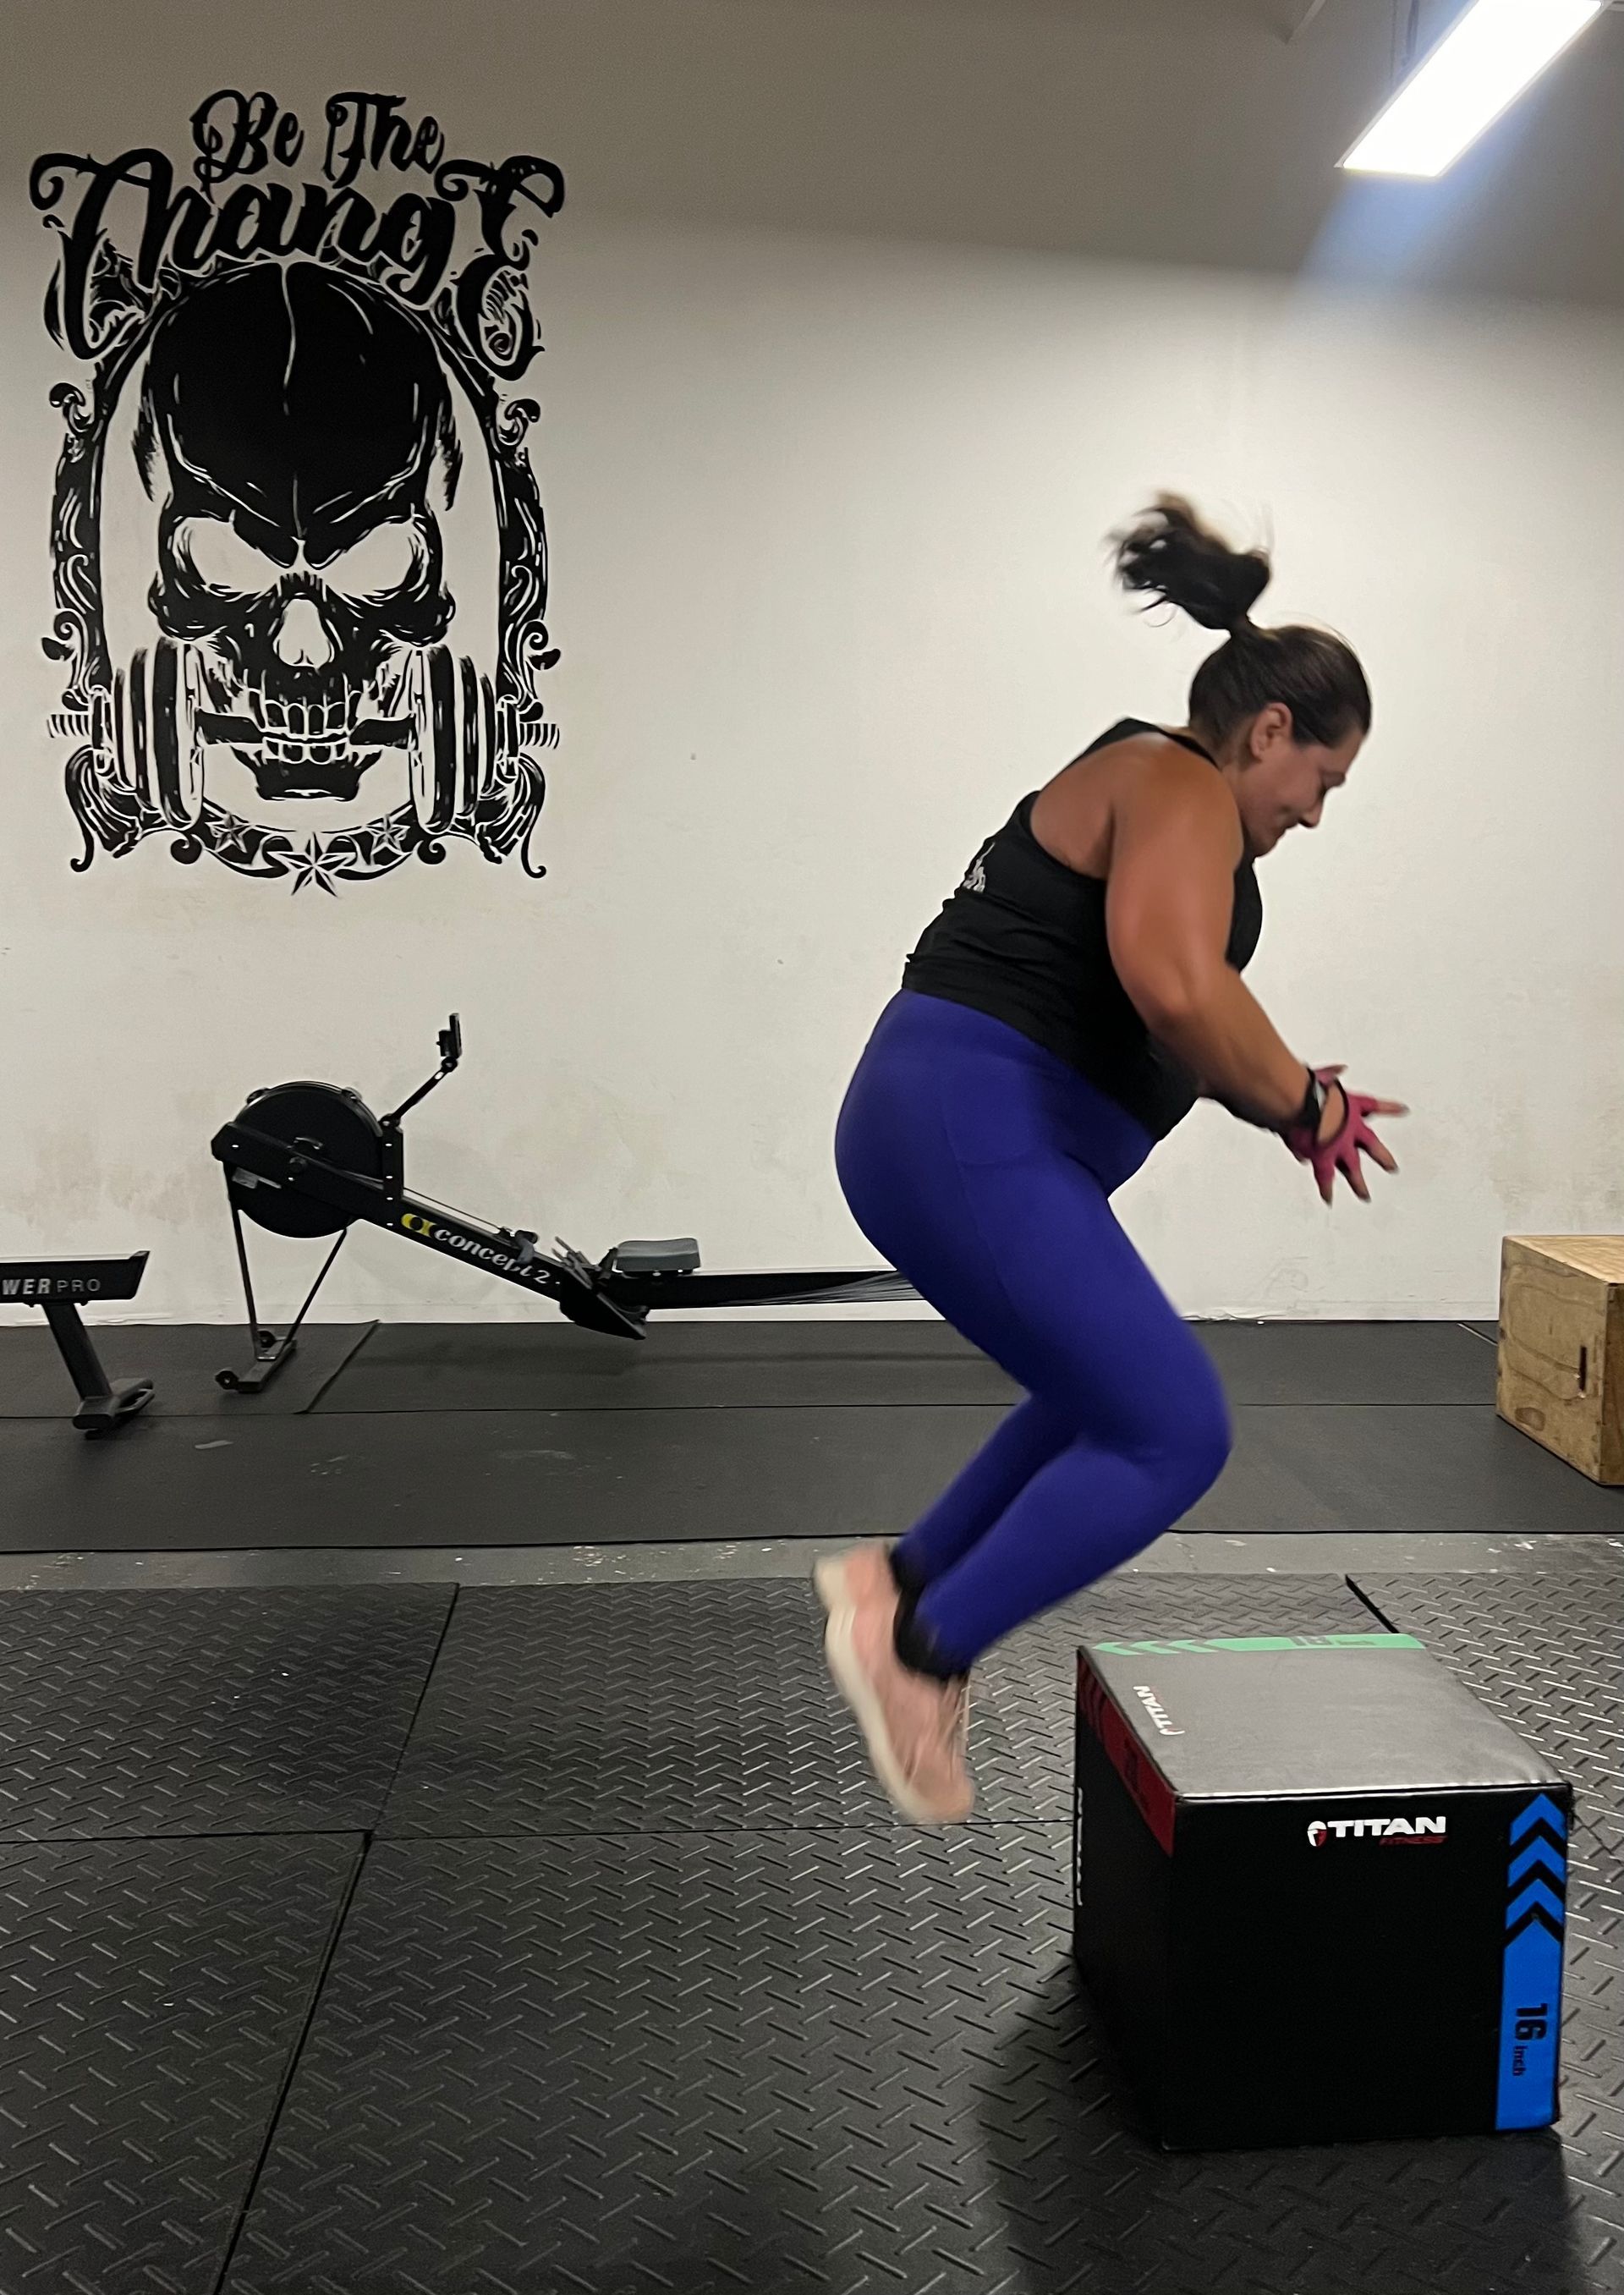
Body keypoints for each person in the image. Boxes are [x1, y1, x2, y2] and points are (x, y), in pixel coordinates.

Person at [815, 495, 1406, 1825]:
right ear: (1269, 733)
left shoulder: (1165, 793)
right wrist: (1303, 1103)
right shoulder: (1178, 781)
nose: (1317, 813)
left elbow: (1188, 1006)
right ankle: (920, 1652)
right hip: (966, 1118)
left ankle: (901, 1580)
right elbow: (1177, 990)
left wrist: (1294, 1095)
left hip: (958, 1123)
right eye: (1323, 778)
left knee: (1100, 1398)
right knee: (1175, 1428)